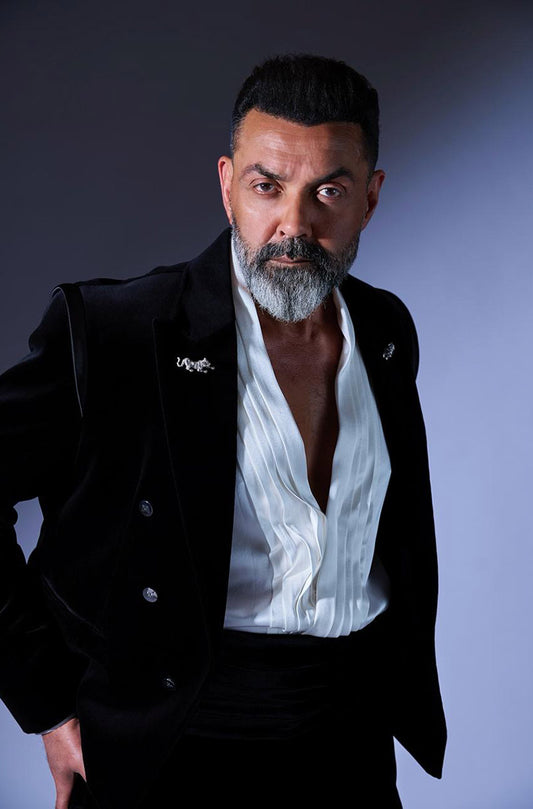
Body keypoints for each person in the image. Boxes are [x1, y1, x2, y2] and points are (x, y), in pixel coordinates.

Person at [0, 54, 446, 809]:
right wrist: (44, 698)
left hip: (350, 735)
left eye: (328, 191)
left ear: (370, 198)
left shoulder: (384, 330)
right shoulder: (118, 331)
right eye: (266, 186)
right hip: (172, 742)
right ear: (226, 185)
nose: (293, 226)